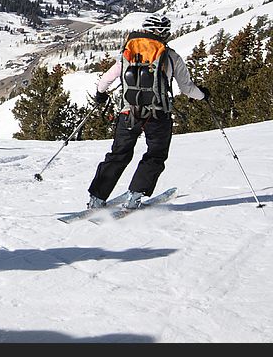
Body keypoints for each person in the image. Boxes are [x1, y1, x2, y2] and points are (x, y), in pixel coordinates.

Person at [86, 13, 209, 210]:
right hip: (158, 115)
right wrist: (203, 95)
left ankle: (96, 198)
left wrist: (100, 95)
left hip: (128, 112)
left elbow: (105, 80)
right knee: (155, 154)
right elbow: (187, 88)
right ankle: (135, 196)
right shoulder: (171, 56)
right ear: (165, 33)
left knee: (118, 154)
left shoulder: (127, 53)